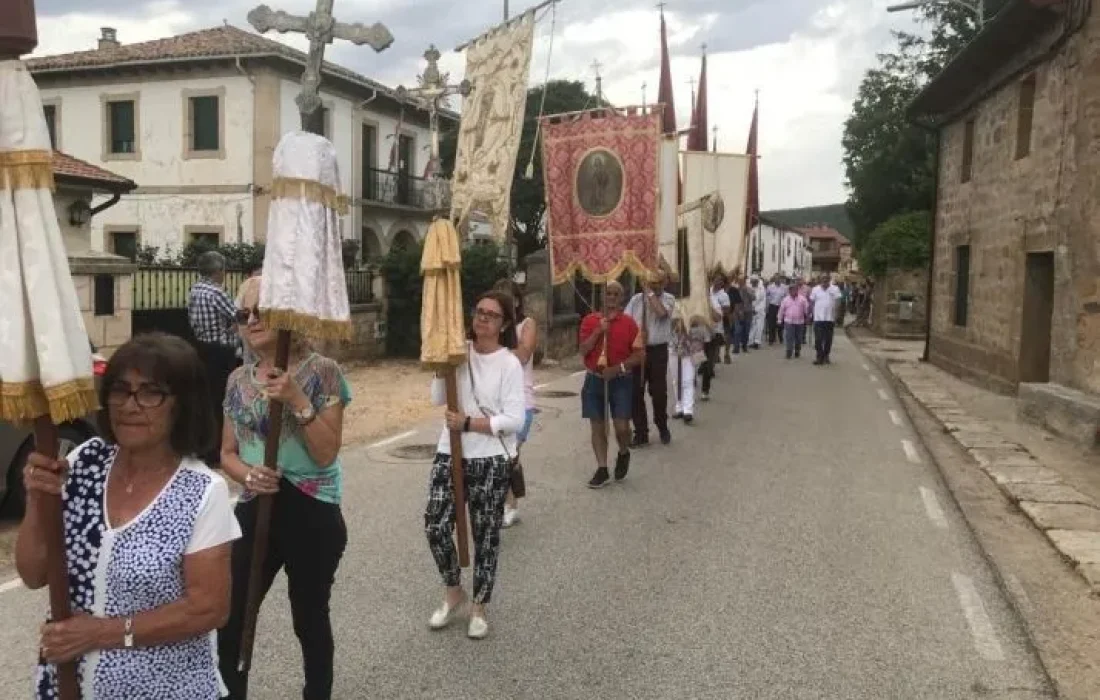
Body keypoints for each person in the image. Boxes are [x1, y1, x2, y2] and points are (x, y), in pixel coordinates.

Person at [18, 333, 240, 700]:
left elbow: (209, 609)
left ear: (182, 405)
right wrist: (37, 499)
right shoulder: (84, 463)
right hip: (68, 684)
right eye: (120, 390)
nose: (129, 405)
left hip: (165, 689)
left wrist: (100, 633)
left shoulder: (201, 491)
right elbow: (33, 573)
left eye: (151, 393)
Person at [218, 276, 352, 700]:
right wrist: (247, 475)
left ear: (287, 315)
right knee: (232, 616)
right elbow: (226, 453)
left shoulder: (323, 372)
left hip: (312, 508)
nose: (251, 320)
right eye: (243, 314)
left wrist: (297, 400)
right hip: (256, 503)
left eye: (262, 311)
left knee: (308, 618)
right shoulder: (237, 381)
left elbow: (326, 453)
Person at [424, 291, 525, 640]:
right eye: (479, 311)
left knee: (485, 534)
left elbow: (514, 419)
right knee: (435, 524)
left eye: (491, 315)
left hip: (490, 457)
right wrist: (443, 365)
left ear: (505, 323)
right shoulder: (459, 351)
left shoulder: (509, 364)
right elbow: (437, 398)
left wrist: (468, 423)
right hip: (449, 451)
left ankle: (480, 605)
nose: (482, 318)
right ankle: (454, 590)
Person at [578, 281, 644, 489]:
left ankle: (624, 451)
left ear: (622, 298)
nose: (612, 297)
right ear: (602, 296)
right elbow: (583, 350)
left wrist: (618, 368)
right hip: (594, 380)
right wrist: (598, 330)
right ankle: (602, 468)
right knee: (597, 426)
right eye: (608, 293)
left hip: (620, 380)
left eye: (616, 294)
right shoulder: (590, 321)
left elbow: (639, 355)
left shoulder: (630, 324)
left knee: (622, 427)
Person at [188, 250, 240, 467]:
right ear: (218, 270)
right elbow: (239, 316)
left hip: (201, 348)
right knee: (222, 400)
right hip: (221, 351)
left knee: (206, 399)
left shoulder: (195, 290)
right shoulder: (217, 293)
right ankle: (217, 451)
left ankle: (202, 446)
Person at [494, 279, 537, 529]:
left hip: (521, 401)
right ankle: (506, 502)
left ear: (517, 301)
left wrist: (493, 349)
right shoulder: (494, 329)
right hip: (495, 403)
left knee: (509, 455)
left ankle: (510, 506)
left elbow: (523, 354)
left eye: (506, 298)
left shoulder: (526, 325)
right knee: (504, 455)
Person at [625, 270, 676, 447]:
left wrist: (650, 293)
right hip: (638, 350)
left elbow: (661, 313)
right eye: (652, 283)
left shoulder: (668, 299)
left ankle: (662, 425)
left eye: (659, 283)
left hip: (658, 351)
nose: (656, 286)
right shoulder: (636, 300)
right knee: (635, 392)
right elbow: (627, 322)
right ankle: (641, 432)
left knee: (658, 392)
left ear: (664, 283)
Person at [671, 314, 708, 423]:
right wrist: (677, 324)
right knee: (676, 381)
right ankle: (679, 407)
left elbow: (704, 330)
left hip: (691, 351)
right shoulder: (674, 308)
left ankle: (688, 410)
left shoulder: (697, 310)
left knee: (688, 380)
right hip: (674, 350)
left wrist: (690, 323)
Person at [700, 273, 730, 401]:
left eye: (720, 280)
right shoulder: (699, 297)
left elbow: (719, 316)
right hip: (699, 335)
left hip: (713, 334)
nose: (717, 282)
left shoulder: (720, 297)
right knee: (697, 361)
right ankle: (690, 385)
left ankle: (705, 390)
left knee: (708, 363)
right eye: (715, 280)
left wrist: (708, 305)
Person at [810, 274, 843, 365]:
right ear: (820, 280)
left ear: (829, 280)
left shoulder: (835, 289)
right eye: (823, 279)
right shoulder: (815, 289)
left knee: (828, 339)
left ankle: (826, 356)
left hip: (830, 318)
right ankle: (819, 357)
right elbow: (812, 302)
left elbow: (838, 301)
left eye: (826, 279)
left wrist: (837, 314)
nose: (824, 281)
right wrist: (811, 314)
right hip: (818, 318)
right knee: (818, 339)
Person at [779, 284, 809, 360]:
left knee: (799, 338)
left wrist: (808, 317)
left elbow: (806, 309)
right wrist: (779, 319)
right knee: (789, 337)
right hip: (788, 321)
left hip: (800, 322)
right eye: (792, 290)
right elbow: (781, 310)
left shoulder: (802, 299)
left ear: (797, 290)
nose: (793, 291)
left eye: (795, 290)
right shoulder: (785, 299)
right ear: (789, 291)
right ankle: (789, 351)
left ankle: (797, 350)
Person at [748, 276, 767, 348]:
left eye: (754, 282)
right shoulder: (749, 287)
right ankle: (750, 341)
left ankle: (757, 342)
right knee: (751, 326)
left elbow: (762, 301)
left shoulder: (761, 289)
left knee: (759, 326)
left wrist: (756, 309)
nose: (752, 283)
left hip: (759, 311)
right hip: (750, 310)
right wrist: (751, 308)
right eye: (752, 281)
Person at [765, 275, 784, 345]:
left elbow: (785, 296)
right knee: (771, 323)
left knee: (780, 323)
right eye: (776, 279)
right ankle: (771, 339)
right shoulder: (770, 287)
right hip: (772, 306)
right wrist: (767, 307)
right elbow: (766, 296)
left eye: (779, 279)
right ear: (774, 280)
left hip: (780, 307)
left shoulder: (783, 287)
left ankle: (781, 338)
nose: (778, 280)